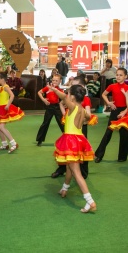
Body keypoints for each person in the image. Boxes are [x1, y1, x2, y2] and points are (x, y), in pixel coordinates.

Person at [48, 84, 96, 213]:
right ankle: (64, 188)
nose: (67, 96)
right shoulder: (81, 110)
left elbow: (63, 97)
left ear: (73, 97)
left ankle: (90, 201)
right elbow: (88, 118)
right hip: (79, 140)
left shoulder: (73, 107)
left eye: (69, 94)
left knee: (76, 172)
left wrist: (53, 89)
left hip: (71, 141)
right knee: (70, 167)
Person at [51, 76, 96, 179]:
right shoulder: (70, 98)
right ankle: (62, 169)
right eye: (71, 85)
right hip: (70, 128)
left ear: (81, 87)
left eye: (74, 85)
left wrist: (82, 119)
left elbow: (88, 114)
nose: (71, 87)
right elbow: (61, 103)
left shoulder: (86, 99)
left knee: (82, 151)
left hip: (81, 129)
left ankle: (83, 173)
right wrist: (64, 115)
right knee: (66, 149)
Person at [94, 68, 128, 163]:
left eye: (121, 75)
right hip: (115, 110)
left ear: (125, 76)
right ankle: (99, 155)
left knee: (124, 135)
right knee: (108, 133)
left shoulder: (127, 87)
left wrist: (124, 112)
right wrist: (109, 103)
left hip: (125, 112)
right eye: (117, 74)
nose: (118, 76)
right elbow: (104, 94)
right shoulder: (112, 86)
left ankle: (122, 157)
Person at [0, 72, 24, 153]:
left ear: (2, 79)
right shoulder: (1, 88)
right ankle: (4, 144)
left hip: (5, 108)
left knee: (1, 127)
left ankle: (14, 143)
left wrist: (8, 105)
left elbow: (12, 95)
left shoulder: (6, 87)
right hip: (0, 108)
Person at [36, 74, 64, 146]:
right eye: (53, 80)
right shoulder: (48, 88)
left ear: (60, 81)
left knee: (62, 123)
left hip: (57, 108)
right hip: (49, 107)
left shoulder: (60, 90)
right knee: (45, 123)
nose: (54, 82)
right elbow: (39, 92)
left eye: (56, 80)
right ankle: (40, 140)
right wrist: (44, 100)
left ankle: (67, 138)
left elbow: (64, 98)